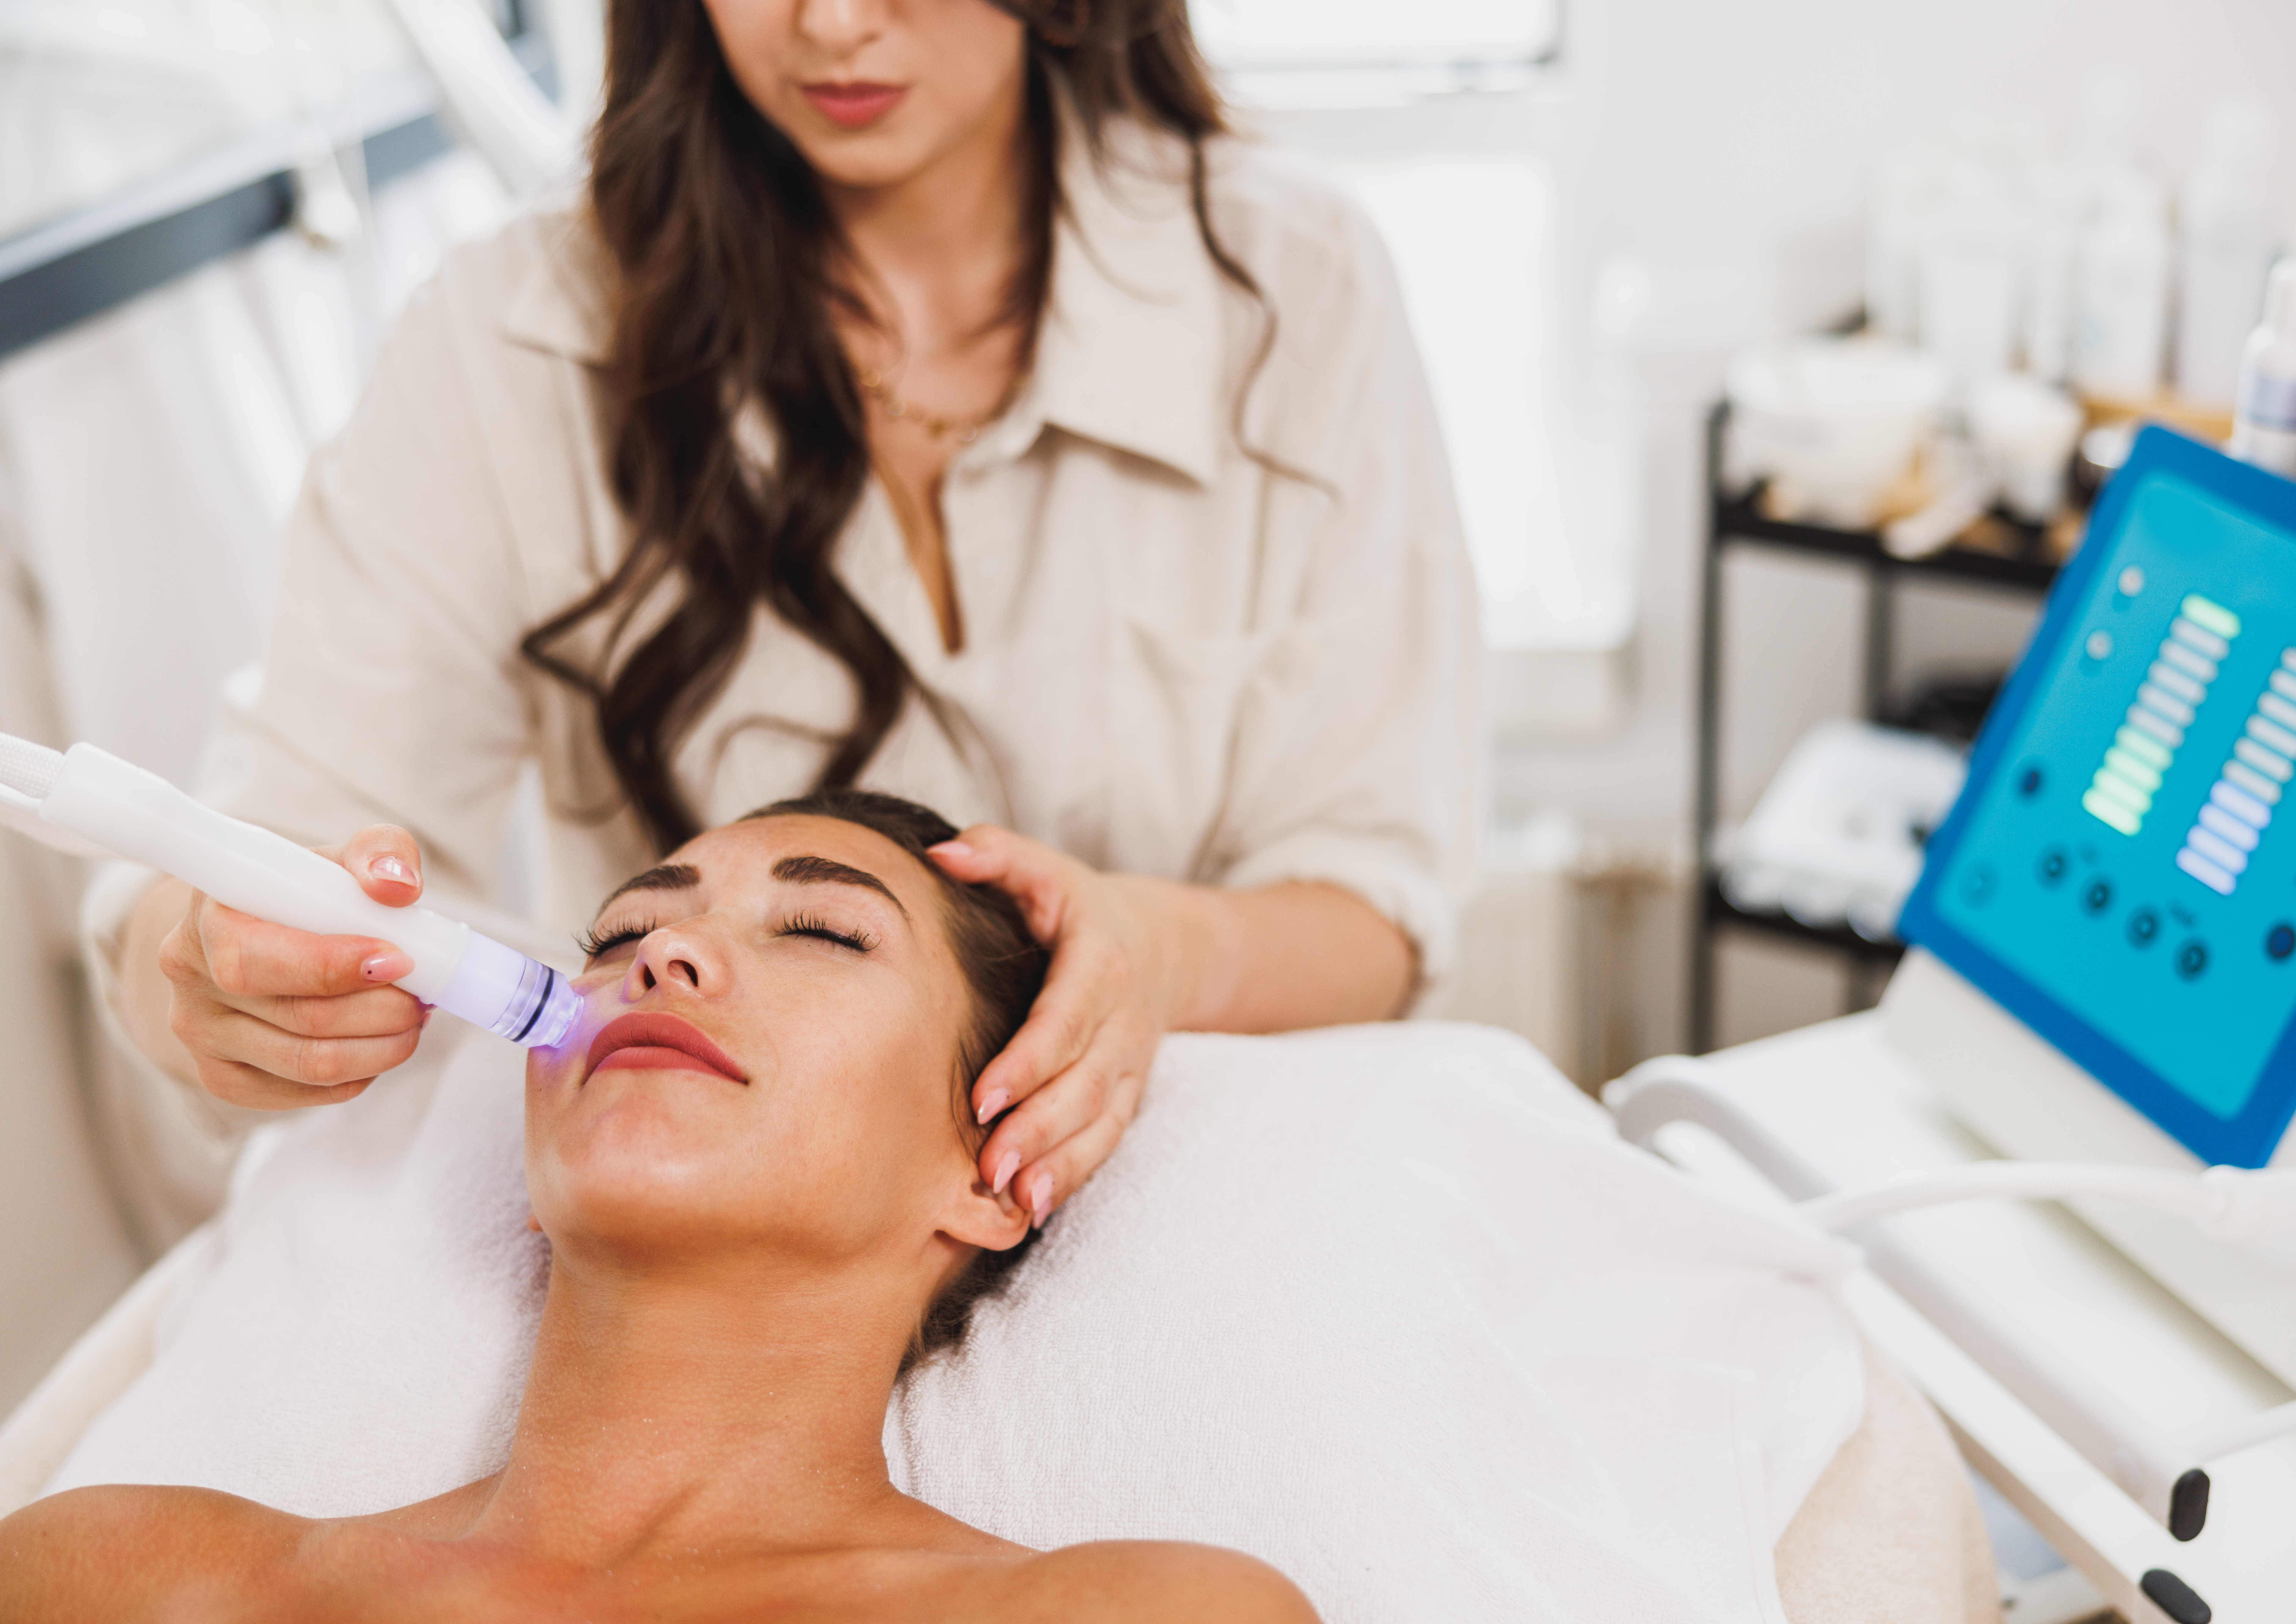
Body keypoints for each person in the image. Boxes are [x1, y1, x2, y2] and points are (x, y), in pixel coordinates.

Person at [107, 0, 1480, 1227]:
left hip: (1204, 1217)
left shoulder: (1286, 282)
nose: (827, 25)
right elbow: (280, 835)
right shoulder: (511, 337)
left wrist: (1150, 952)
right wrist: (205, 974)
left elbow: (1374, 899)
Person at [6, 791, 1321, 1620]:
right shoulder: (116, 1574)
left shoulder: (1146, 1609)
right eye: (619, 931)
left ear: (991, 1168)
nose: (660, 956)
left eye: (822, 933)